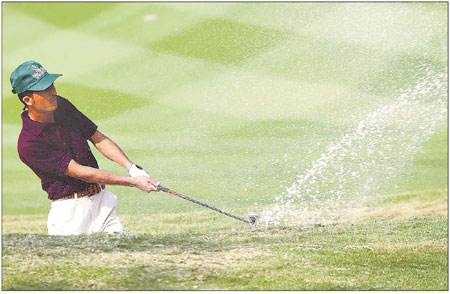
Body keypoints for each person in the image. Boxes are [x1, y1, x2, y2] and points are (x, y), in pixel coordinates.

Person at [11, 60, 160, 236]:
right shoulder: (29, 143)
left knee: (121, 254)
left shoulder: (61, 105)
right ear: (28, 100)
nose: (53, 92)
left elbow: (97, 137)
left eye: (51, 85)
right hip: (71, 214)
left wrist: (132, 168)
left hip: (102, 202)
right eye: (44, 90)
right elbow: (81, 172)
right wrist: (133, 182)